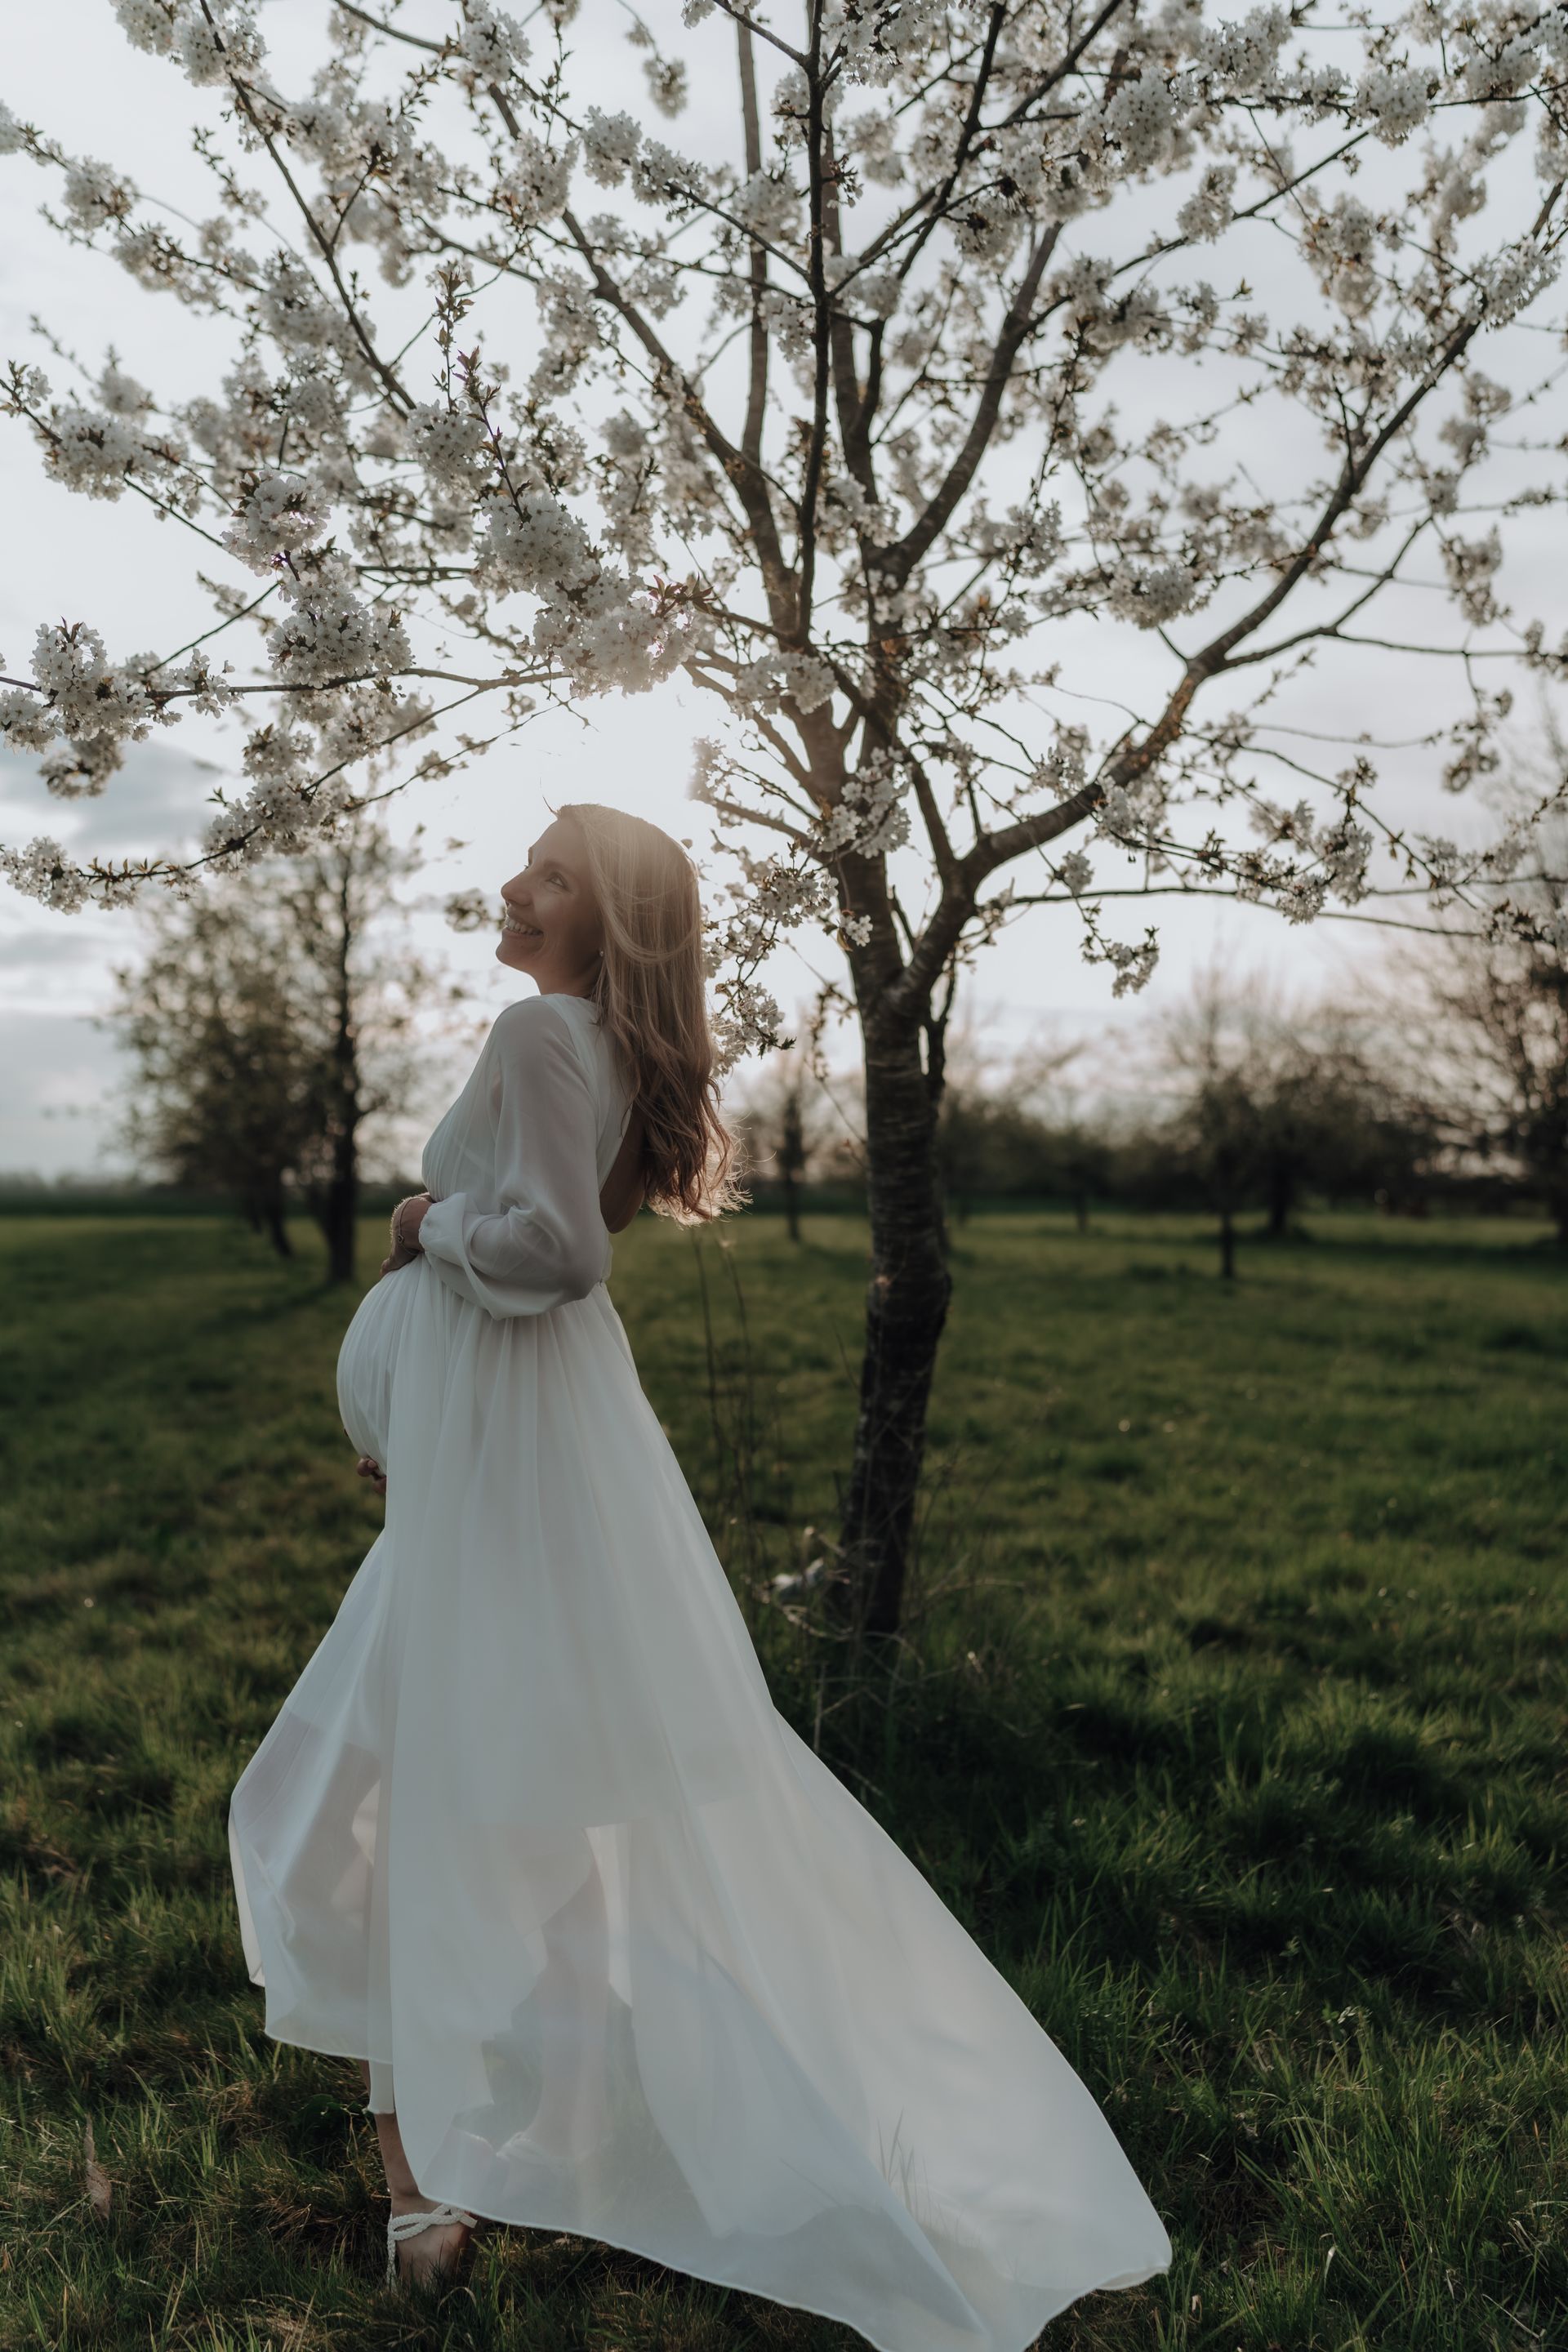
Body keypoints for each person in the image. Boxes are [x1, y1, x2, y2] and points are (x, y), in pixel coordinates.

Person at [227, 800, 1172, 2348]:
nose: (514, 885)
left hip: (508, 1479)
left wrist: (420, 1221)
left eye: (550, 876)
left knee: (357, 1808)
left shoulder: (542, 1033)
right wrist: (417, 1414)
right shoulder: (602, 1047)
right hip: (510, 1469)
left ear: (607, 922)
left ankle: (429, 2189)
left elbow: (553, 1259)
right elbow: (538, 1274)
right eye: (525, 861)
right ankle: (523, 2142)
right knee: (520, 1805)